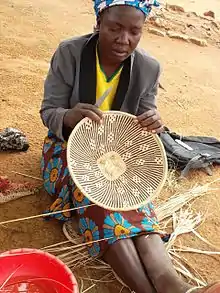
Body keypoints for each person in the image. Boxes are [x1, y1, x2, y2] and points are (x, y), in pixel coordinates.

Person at [40, 1, 220, 292]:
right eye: (115, 28)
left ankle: (176, 286)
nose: (124, 40)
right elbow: (49, 112)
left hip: (118, 155)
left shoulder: (148, 67)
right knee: (96, 195)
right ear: (99, 22)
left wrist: (152, 121)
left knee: (133, 200)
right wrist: (69, 116)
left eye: (134, 32)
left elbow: (145, 120)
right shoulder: (70, 53)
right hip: (68, 149)